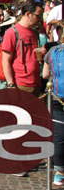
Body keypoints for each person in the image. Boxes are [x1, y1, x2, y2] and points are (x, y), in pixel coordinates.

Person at [1, 0, 46, 96]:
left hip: (36, 83)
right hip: (20, 85)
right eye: (38, 16)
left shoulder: (35, 33)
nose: (40, 19)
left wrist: (41, 55)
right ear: (28, 14)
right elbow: (5, 60)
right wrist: (11, 84)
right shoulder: (12, 32)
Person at [42, 36, 64, 187]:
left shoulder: (52, 51)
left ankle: (59, 172)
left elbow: (44, 75)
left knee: (59, 136)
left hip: (57, 97)